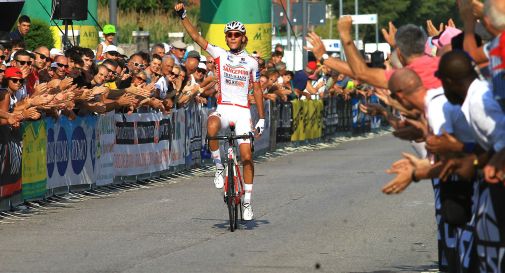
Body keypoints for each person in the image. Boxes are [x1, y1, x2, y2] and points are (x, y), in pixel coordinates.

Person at [175, 2, 265, 221]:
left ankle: (247, 202)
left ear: (243, 37)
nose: (232, 37)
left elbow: (258, 89)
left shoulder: (252, 63)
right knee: (212, 126)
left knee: (246, 157)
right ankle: (217, 167)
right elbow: (196, 37)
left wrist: (261, 118)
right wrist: (183, 15)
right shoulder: (219, 54)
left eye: (236, 34)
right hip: (224, 108)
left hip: (243, 112)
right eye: (229, 35)